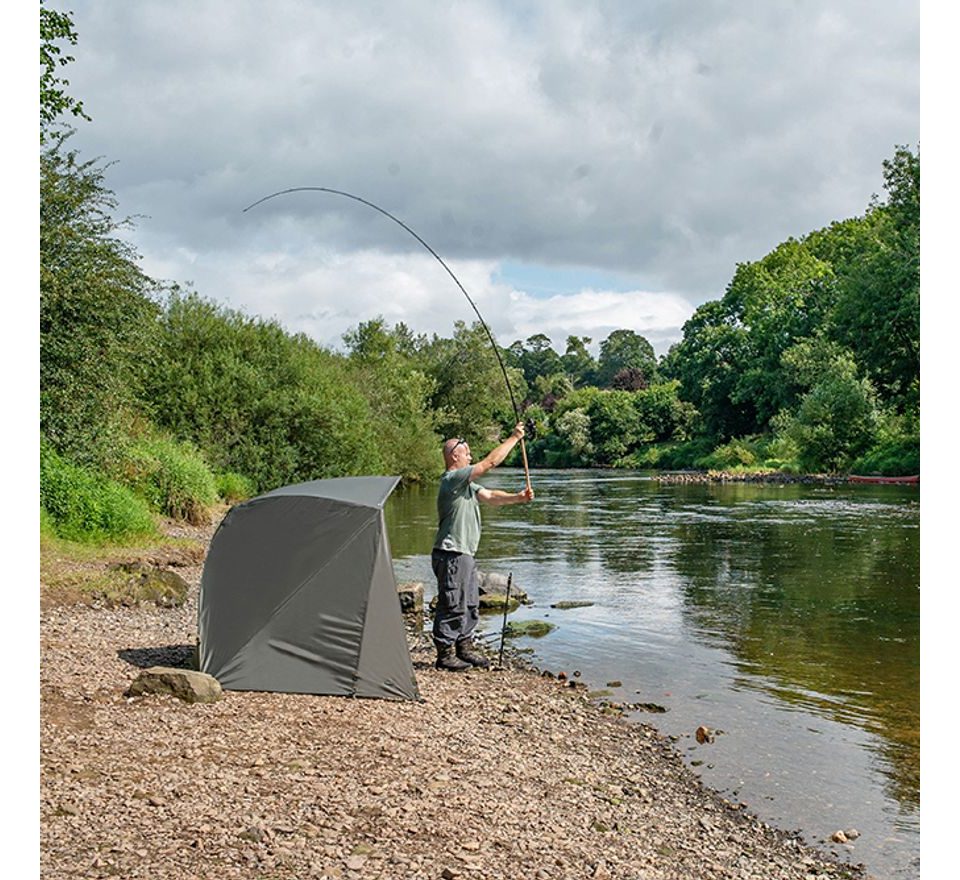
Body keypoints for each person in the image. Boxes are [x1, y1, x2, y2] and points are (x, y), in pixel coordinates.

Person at [431, 422, 534, 671]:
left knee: (469, 603)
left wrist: (518, 498)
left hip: (464, 553)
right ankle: (445, 655)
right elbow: (489, 463)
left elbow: (490, 497)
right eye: (467, 453)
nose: (470, 456)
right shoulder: (452, 478)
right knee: (452, 603)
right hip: (451, 552)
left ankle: (463, 649)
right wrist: (514, 437)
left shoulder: (466, 485)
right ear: (455, 456)